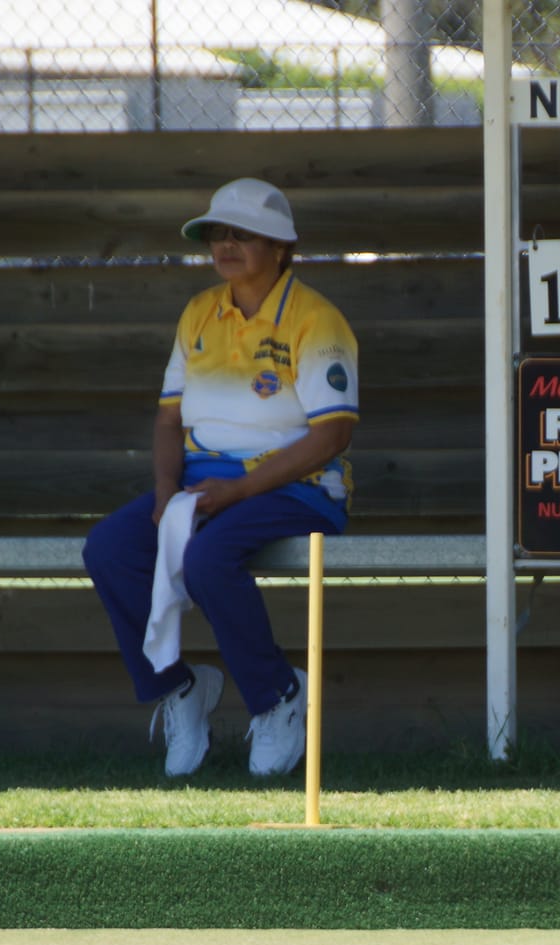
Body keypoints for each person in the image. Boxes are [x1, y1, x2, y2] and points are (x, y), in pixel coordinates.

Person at [82, 178, 359, 777]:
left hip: (301, 487)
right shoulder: (199, 312)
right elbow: (167, 419)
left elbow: (331, 437)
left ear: (283, 246)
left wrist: (233, 492)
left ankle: (278, 695)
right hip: (203, 485)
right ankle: (180, 688)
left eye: (244, 234)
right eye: (218, 233)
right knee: (108, 547)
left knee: (209, 559)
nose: (226, 245)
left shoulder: (318, 320)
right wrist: (163, 497)